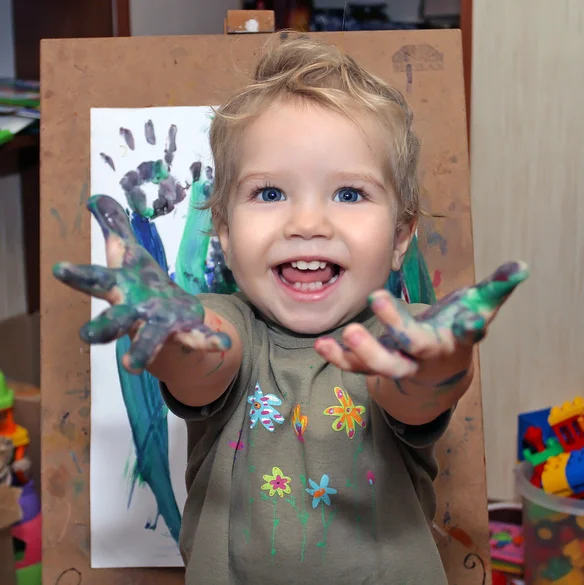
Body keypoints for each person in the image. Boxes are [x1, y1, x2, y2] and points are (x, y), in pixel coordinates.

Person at [53, 37, 528, 585]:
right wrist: (175, 331)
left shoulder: (399, 340)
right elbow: (205, 360)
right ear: (225, 233)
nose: (308, 223)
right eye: (271, 192)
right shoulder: (227, 326)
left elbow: (414, 393)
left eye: (349, 195)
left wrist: (437, 363)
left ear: (401, 236)